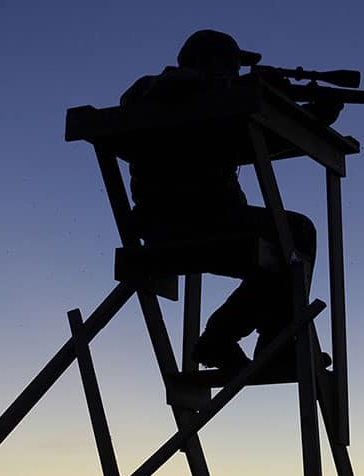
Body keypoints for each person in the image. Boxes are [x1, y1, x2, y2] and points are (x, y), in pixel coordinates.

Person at [120, 30, 342, 371]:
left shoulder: (210, 112)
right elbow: (156, 91)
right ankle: (246, 342)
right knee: (295, 233)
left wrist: (311, 114)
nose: (237, 72)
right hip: (191, 221)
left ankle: (232, 340)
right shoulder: (163, 88)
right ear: (210, 62)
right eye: (231, 64)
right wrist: (251, 92)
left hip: (187, 223)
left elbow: (261, 142)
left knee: (284, 249)